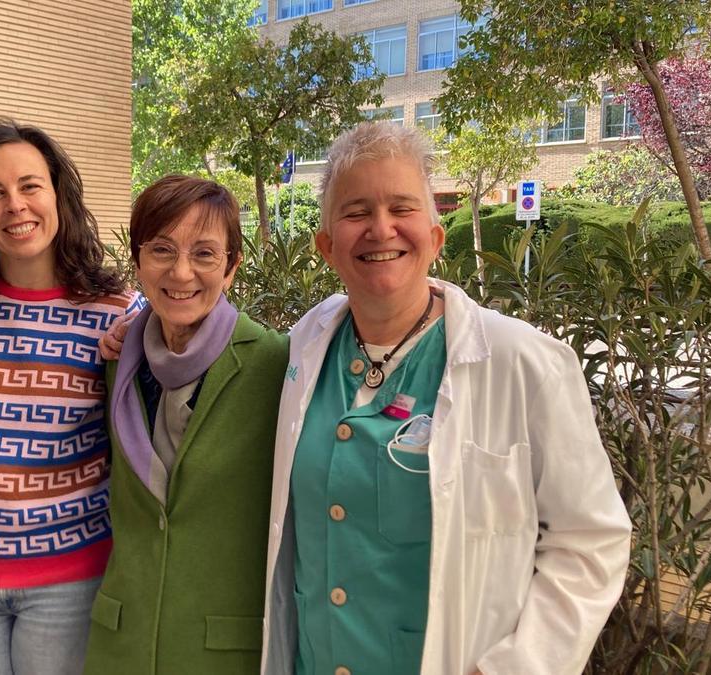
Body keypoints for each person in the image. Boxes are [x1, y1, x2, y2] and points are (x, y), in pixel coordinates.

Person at [260, 122, 632, 675]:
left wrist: (514, 668)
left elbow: (591, 542)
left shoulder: (523, 363)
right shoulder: (304, 346)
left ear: (434, 238)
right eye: (356, 212)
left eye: (401, 208)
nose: (381, 228)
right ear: (326, 247)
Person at [0, 119, 141, 675]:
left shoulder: (116, 313)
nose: (15, 205)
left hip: (72, 579)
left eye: (29, 186)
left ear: (57, 195)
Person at [82, 175, 287, 675]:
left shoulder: (275, 364)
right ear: (137, 260)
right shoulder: (117, 360)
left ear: (232, 267)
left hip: (222, 650)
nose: (180, 272)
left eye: (204, 254)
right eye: (161, 249)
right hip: (122, 644)